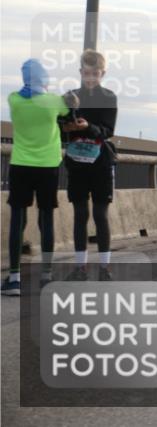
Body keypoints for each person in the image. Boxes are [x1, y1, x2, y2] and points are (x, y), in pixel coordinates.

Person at [2, 60, 78, 296]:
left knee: (18, 219)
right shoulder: (54, 101)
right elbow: (70, 116)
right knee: (45, 219)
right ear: (44, 78)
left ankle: (14, 277)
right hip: (47, 166)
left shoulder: (14, 99)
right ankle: (46, 274)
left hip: (20, 164)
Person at [63, 50, 118, 281]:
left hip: (100, 164)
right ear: (80, 72)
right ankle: (80, 267)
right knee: (80, 214)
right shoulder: (70, 96)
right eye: (87, 73)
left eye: (95, 73)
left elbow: (107, 131)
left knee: (100, 214)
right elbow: (60, 126)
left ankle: (104, 268)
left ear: (102, 73)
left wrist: (87, 127)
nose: (90, 78)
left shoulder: (108, 97)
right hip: (77, 163)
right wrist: (67, 128)